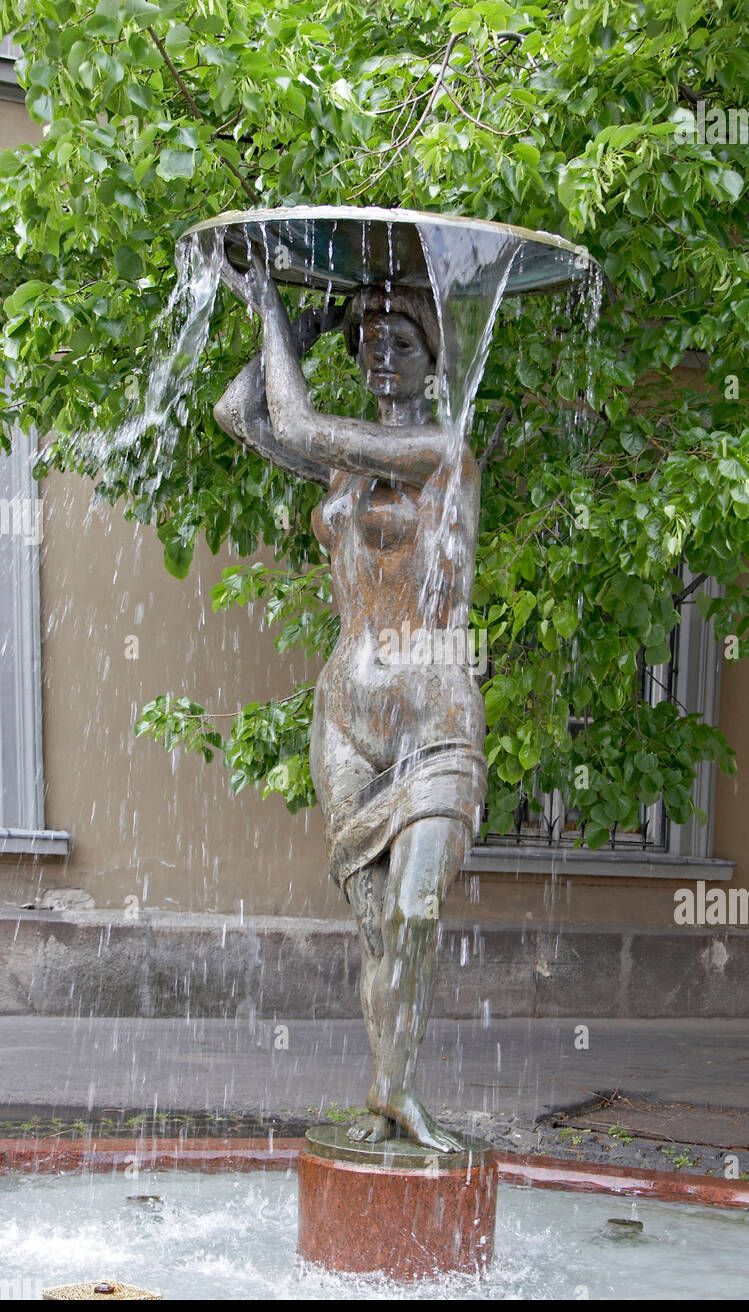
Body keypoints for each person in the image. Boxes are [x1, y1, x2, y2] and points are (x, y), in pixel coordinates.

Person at [214, 249, 486, 1152]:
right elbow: (239, 412)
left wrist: (264, 297)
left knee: (414, 911)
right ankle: (388, 1098)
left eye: (400, 338)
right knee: (376, 929)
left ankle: (395, 1087)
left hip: (434, 718)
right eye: (368, 337)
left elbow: (293, 416)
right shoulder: (341, 469)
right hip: (345, 720)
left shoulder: (442, 453)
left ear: (433, 355)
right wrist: (308, 324)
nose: (381, 354)